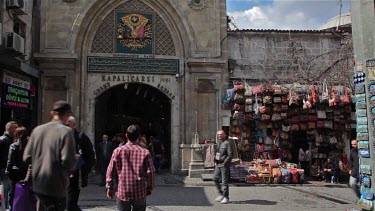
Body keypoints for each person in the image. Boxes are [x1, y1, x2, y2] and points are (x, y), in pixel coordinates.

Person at [23, 100, 76, 211]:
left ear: (52, 113)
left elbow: (26, 157)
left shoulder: (37, 130)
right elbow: (68, 160)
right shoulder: (66, 132)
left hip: (38, 184)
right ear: (68, 115)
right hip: (57, 186)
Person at [106, 124, 155, 211]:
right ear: (139, 137)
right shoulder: (145, 152)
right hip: (139, 191)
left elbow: (110, 170)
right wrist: (149, 187)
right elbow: (150, 172)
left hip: (123, 190)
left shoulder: (118, 151)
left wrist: (110, 187)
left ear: (126, 136)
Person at [65, 116, 96, 211]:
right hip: (62, 176)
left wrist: (84, 167)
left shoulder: (81, 137)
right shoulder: (61, 137)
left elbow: (90, 155)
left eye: (67, 125)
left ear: (73, 125)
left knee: (70, 204)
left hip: (75, 176)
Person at [6, 126, 28, 211]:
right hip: (27, 174)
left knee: (13, 195)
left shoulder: (14, 146)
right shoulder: (30, 145)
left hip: (15, 175)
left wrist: (8, 171)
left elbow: (10, 161)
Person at [0, 121, 18, 210]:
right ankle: (6, 207)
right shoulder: (3, 140)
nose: (16, 129)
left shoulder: (12, 140)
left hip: (7, 168)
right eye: (15, 127)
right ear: (9, 128)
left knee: (7, 189)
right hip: (4, 168)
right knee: (6, 189)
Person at [213, 130, 232, 204]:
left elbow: (230, 155)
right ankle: (221, 194)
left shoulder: (227, 143)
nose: (220, 136)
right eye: (218, 135)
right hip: (218, 164)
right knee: (215, 178)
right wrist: (215, 161)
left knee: (224, 181)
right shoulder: (219, 143)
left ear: (225, 135)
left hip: (224, 165)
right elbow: (217, 153)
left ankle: (226, 197)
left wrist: (225, 163)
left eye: (221, 134)